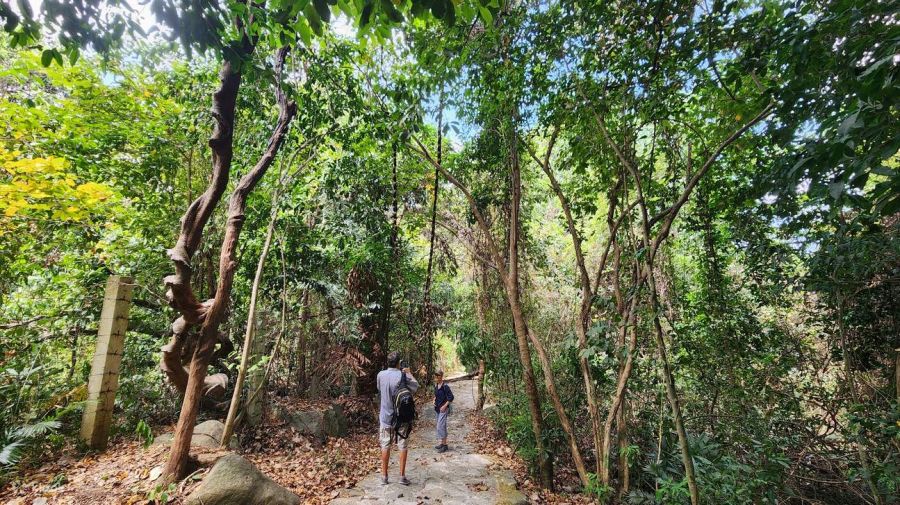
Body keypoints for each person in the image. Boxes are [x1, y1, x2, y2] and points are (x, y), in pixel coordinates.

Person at [376, 351, 419, 485]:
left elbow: (379, 389)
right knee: (402, 445)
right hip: (401, 417)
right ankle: (401, 477)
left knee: (385, 445)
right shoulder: (402, 375)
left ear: (388, 362)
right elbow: (415, 387)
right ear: (399, 363)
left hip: (385, 417)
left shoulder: (380, 375)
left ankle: (384, 477)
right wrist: (409, 373)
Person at [433, 369, 454, 453]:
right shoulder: (436, 385)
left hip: (443, 409)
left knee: (440, 426)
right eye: (436, 376)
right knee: (442, 426)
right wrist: (434, 400)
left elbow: (451, 397)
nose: (436, 378)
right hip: (437, 409)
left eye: (438, 376)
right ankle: (443, 444)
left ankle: (444, 445)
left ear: (441, 376)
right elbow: (436, 395)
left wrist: (445, 406)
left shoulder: (445, 386)